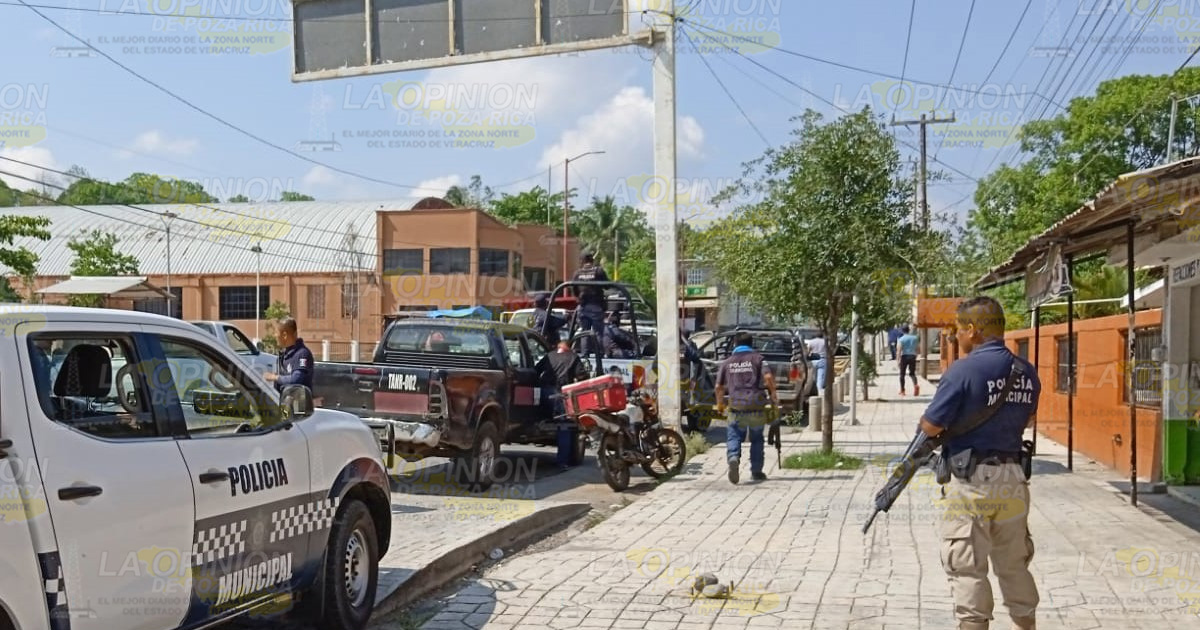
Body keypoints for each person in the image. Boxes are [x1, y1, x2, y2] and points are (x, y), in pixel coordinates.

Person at [917, 296, 1041, 630]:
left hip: (972, 481)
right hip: (1013, 477)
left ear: (972, 329)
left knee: (967, 563)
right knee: (1014, 561)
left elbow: (930, 426)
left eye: (958, 330)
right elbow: (1027, 419)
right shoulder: (1026, 371)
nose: (955, 337)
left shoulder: (963, 370)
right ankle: (1026, 624)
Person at [714, 332, 779, 484]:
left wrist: (720, 404)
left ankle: (733, 457)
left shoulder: (727, 362)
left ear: (735, 344)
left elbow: (718, 386)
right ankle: (756, 472)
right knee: (756, 439)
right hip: (756, 404)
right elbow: (768, 378)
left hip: (736, 405)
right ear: (751, 343)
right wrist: (773, 395)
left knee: (734, 435)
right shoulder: (758, 359)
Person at [537, 341, 589, 470]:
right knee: (565, 426)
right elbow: (582, 376)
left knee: (554, 420)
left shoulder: (549, 355)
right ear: (570, 347)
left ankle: (542, 421)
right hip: (561, 395)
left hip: (545, 394)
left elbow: (536, 370)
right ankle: (562, 462)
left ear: (558, 346)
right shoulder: (573, 357)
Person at [572, 253, 609, 357]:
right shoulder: (598, 271)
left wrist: (579, 297)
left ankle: (585, 354)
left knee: (585, 332)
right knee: (598, 332)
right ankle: (600, 354)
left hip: (582, 307)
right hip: (596, 306)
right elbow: (607, 286)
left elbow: (574, 290)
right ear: (592, 261)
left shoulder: (577, 273)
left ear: (582, 261)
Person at [264, 318, 313, 393]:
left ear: (284, 335)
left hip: (298, 403)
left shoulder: (302, 354)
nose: (275, 335)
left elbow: (296, 379)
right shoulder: (285, 354)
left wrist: (274, 377)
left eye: (276, 332)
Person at [897, 325, 920, 396]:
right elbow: (918, 349)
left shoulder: (901, 339)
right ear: (909, 330)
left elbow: (899, 350)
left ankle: (902, 390)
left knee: (902, 374)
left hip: (905, 357)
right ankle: (916, 385)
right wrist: (916, 355)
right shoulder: (915, 338)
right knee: (912, 373)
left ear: (902, 331)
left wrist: (898, 360)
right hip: (912, 356)